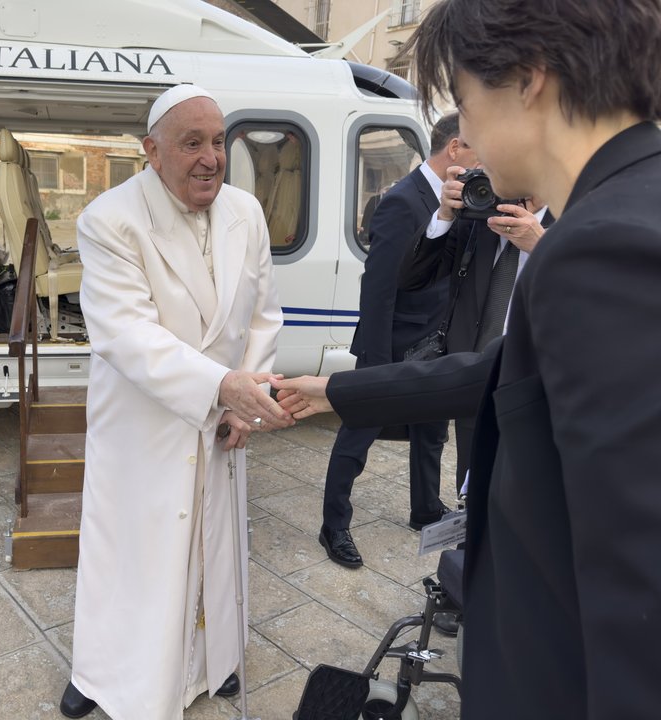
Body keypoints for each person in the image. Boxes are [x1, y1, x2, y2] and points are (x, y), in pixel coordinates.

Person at [274, 0, 661, 717]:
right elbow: (509, 372)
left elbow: (640, 593)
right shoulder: (625, 210)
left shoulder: (608, 246)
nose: (467, 134)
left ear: (528, 78)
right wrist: (338, 390)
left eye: (465, 100)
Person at [60, 84, 293, 720]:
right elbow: (126, 333)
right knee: (132, 555)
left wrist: (248, 392)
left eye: (218, 142)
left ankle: (216, 662)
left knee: (216, 548)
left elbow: (264, 316)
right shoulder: (110, 220)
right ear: (152, 152)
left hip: (221, 422)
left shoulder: (247, 211)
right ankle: (103, 675)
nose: (210, 158)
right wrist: (223, 390)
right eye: (192, 143)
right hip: (146, 428)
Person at [317, 112, 477, 571]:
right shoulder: (402, 200)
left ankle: (425, 508)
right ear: (455, 148)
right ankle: (334, 524)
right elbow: (379, 285)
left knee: (431, 434)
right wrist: (377, 361)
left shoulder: (458, 195)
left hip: (437, 340)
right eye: (477, 146)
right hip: (392, 344)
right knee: (357, 434)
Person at [400, 180, 553, 496]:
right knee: (471, 495)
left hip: (538, 390)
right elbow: (411, 278)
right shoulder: (478, 224)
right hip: (477, 382)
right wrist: (444, 213)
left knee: (530, 498)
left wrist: (543, 246)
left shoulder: (574, 224)